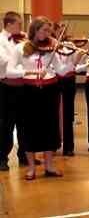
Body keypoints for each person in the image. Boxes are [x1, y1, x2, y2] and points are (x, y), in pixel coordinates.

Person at [8, 17, 65, 180]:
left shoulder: (52, 47)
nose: (48, 34)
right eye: (44, 30)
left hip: (49, 90)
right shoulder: (20, 48)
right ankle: (31, 167)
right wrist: (30, 72)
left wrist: (74, 59)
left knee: (50, 127)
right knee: (28, 128)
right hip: (28, 91)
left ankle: (49, 166)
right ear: (35, 30)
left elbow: (61, 70)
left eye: (49, 31)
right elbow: (10, 71)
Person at [0, 11, 29, 170]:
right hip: (6, 86)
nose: (21, 27)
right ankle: (2, 157)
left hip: (22, 85)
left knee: (24, 121)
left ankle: (24, 154)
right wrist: (20, 55)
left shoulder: (21, 40)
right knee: (6, 124)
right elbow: (5, 62)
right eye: (19, 24)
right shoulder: (1, 40)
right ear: (9, 24)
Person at [53, 23, 86, 157]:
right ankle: (53, 144)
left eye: (64, 29)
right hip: (54, 79)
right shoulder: (49, 45)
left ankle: (68, 146)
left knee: (68, 113)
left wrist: (79, 54)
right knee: (53, 112)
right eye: (59, 29)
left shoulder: (70, 45)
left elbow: (76, 63)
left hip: (68, 79)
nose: (62, 32)